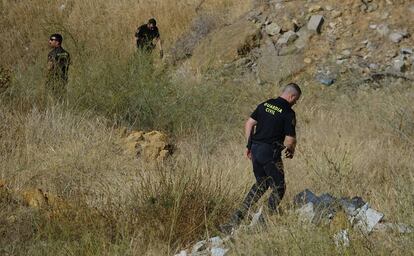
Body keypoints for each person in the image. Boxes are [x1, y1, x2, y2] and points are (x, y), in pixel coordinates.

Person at [221, 83, 302, 234]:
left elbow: (249, 123)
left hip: (256, 150)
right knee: (279, 187)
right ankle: (263, 223)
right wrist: (291, 150)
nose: (295, 102)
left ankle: (233, 222)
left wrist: (249, 145)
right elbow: (290, 139)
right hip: (269, 152)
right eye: (296, 100)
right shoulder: (288, 113)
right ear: (292, 96)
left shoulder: (265, 104)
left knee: (261, 184)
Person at [46, 33, 71, 100]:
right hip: (64, 79)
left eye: (51, 39)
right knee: (62, 97)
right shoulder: (66, 53)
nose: (49, 41)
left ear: (57, 42)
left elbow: (49, 68)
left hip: (54, 80)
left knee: (53, 98)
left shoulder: (52, 53)